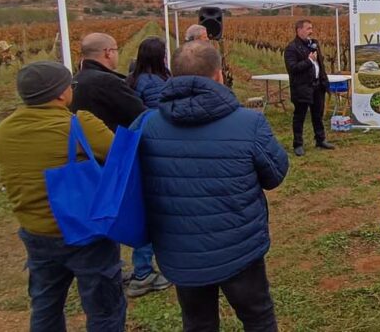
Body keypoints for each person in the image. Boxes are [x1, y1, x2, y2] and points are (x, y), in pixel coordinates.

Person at [137, 41, 290, 332]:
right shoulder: (249, 123)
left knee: (197, 322)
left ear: (173, 74)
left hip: (179, 249)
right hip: (239, 247)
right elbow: (275, 174)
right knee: (258, 317)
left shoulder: (146, 126)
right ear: (219, 75)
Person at [0, 61, 126, 331]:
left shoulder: (5, 130)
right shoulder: (80, 125)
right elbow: (121, 157)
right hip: (85, 231)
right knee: (104, 308)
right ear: (59, 94)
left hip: (36, 231)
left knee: (45, 305)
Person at [120, 36, 173, 297]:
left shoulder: (132, 80)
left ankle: (143, 267)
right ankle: (144, 271)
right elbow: (167, 110)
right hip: (158, 149)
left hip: (140, 149)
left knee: (144, 207)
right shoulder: (156, 83)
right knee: (157, 208)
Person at [71, 33, 146, 132]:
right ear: (108, 52)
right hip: (113, 143)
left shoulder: (75, 80)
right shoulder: (108, 82)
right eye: (116, 50)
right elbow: (140, 114)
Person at [284, 19, 334, 157]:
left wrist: (324, 82)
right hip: (302, 88)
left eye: (311, 28)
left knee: (317, 115)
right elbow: (292, 69)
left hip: (317, 86)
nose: (310, 31)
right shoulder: (291, 48)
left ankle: (320, 139)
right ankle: (298, 144)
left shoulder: (314, 44)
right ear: (298, 30)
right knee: (299, 116)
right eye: (307, 28)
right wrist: (309, 60)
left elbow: (321, 65)